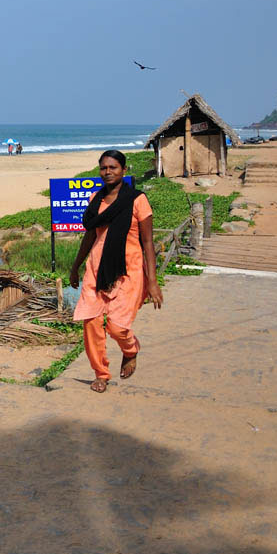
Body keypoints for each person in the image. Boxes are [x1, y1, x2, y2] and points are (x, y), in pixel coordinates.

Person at [69, 150, 163, 394]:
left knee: (117, 327)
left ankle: (130, 350)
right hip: (96, 268)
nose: (108, 172)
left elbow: (148, 242)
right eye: (103, 168)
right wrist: (76, 266)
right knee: (90, 322)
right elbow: (90, 234)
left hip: (128, 270)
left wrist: (152, 282)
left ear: (124, 169)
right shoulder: (95, 199)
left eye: (113, 167)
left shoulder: (137, 199)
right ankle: (101, 373)